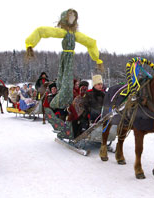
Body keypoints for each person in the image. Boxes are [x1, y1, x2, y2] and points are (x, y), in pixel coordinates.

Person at [26, 9, 104, 139]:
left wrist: (97, 58)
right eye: (70, 16)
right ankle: (56, 103)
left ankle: (68, 109)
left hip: (70, 57)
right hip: (65, 57)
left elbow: (91, 42)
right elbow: (42, 31)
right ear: (65, 18)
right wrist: (30, 43)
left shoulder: (76, 34)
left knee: (66, 82)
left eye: (74, 16)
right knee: (65, 84)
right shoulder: (62, 32)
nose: (72, 18)